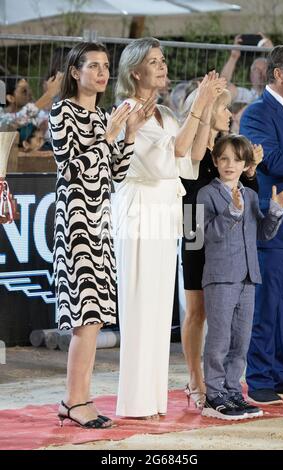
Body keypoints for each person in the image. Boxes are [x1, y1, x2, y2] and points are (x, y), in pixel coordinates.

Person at [113, 37, 226, 419]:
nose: (162, 67)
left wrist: (206, 105)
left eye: (163, 60)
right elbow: (175, 151)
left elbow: (194, 154)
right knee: (141, 305)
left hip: (164, 210)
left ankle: (153, 399)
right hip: (140, 210)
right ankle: (134, 400)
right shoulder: (129, 110)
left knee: (161, 310)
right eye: (154, 61)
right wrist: (198, 104)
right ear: (135, 72)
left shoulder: (163, 111)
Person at [49, 41, 151, 428]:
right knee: (84, 318)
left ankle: (76, 399)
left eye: (106, 65)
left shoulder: (104, 116)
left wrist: (127, 136)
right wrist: (108, 136)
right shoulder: (63, 112)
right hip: (76, 222)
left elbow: (115, 174)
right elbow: (72, 169)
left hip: (101, 222)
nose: (103, 72)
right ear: (75, 72)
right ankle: (76, 400)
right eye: (94, 66)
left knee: (93, 318)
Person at [197, 134, 283, 420]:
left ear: (246, 165)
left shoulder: (251, 195)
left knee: (241, 341)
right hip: (220, 277)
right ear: (215, 161)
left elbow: (264, 233)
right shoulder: (206, 194)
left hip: (249, 278)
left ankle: (232, 391)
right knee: (219, 340)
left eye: (237, 160)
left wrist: (276, 211)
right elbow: (203, 236)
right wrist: (231, 212)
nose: (230, 165)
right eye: (224, 158)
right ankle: (213, 395)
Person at [180, 87, 261, 410]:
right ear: (208, 108)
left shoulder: (227, 147)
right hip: (194, 222)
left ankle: (221, 385)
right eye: (224, 108)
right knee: (196, 310)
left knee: (220, 317)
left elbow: (247, 193)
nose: (229, 114)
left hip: (227, 236)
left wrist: (251, 172)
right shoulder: (196, 143)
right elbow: (190, 189)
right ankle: (195, 379)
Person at [240, 45, 283, 404]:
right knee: (266, 306)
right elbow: (273, 160)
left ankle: (281, 371)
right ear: (279, 74)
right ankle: (259, 375)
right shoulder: (256, 114)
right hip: (274, 224)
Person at [220, 34, 272, 105]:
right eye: (256, 69)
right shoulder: (246, 95)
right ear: (251, 75)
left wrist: (272, 52)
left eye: (264, 69)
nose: (261, 73)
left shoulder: (278, 93)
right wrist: (233, 57)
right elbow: (223, 87)